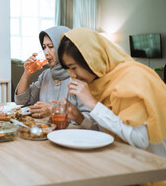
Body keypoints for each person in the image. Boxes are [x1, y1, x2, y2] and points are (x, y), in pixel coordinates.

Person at [58, 27, 166, 158]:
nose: (73, 75)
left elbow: (140, 140)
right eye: (68, 69)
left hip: (151, 166)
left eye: (74, 67)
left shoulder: (132, 77)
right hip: (123, 159)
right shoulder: (102, 82)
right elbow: (110, 134)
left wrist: (93, 104)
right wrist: (80, 119)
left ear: (92, 59)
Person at [15, 26, 97, 129]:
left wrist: (55, 112)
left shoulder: (78, 76)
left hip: (71, 137)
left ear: (63, 48)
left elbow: (91, 122)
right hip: (46, 135)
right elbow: (21, 102)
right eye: (44, 47)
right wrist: (27, 73)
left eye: (50, 46)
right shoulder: (46, 75)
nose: (46, 53)